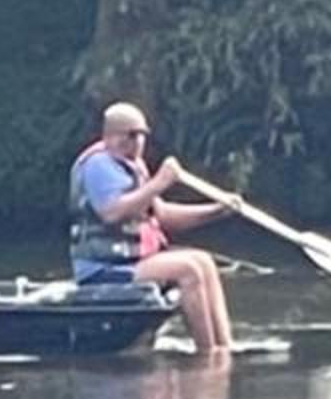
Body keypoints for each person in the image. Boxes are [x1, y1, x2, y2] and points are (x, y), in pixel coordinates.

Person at [69, 98, 235, 353]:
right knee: (188, 269)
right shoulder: (98, 165)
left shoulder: (135, 167)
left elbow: (163, 215)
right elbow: (112, 213)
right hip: (103, 268)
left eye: (141, 135)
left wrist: (217, 211)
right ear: (110, 136)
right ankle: (207, 353)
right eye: (130, 135)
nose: (137, 142)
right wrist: (160, 182)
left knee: (203, 262)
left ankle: (224, 347)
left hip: (130, 262)